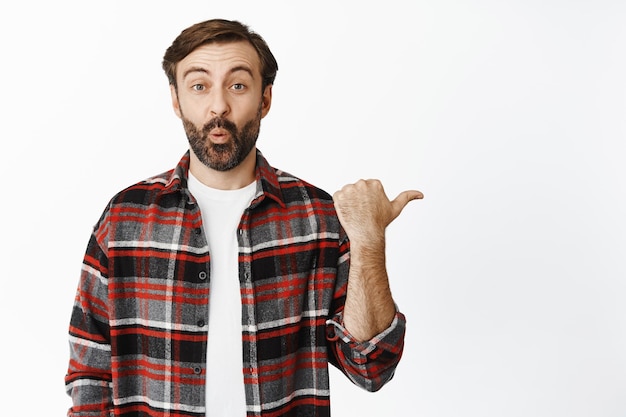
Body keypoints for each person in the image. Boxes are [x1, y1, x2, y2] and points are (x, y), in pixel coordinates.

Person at [65, 18, 423, 417]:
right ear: (176, 99)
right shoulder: (124, 219)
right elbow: (89, 371)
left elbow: (371, 368)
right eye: (199, 86)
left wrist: (369, 240)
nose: (218, 105)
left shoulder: (317, 218)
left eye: (237, 85)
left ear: (265, 99)